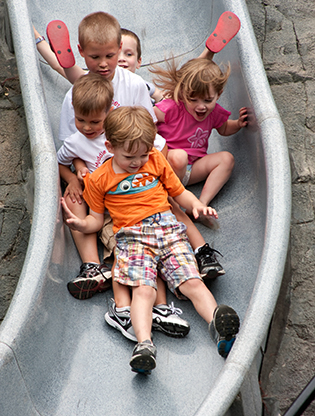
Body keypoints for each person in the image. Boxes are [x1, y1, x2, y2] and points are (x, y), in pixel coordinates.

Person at [37, 12, 226, 295]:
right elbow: (69, 146)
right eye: (95, 57)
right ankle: (92, 266)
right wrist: (74, 175)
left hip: (136, 173)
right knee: (71, 197)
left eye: (110, 56)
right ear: (82, 55)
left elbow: (149, 133)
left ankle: (199, 250)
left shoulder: (134, 85)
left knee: (165, 198)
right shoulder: (75, 96)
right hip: (101, 179)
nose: (103, 64)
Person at [61, 106, 240, 374]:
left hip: (168, 229)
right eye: (130, 156)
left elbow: (179, 194)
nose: (137, 162)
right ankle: (144, 344)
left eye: (143, 155)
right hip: (132, 237)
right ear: (110, 146)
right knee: (144, 290)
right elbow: (97, 220)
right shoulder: (99, 179)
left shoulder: (155, 160)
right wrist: (81, 223)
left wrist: (197, 206)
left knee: (192, 281)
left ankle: (218, 325)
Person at [57, 72, 191, 339]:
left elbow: (153, 155)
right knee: (121, 240)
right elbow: (63, 160)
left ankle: (158, 307)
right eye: (80, 120)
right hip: (104, 205)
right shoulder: (77, 141)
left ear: (109, 112)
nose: (86, 126)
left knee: (147, 242)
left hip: (134, 206)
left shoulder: (122, 136)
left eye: (94, 121)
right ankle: (99, 275)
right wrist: (74, 177)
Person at [152, 58, 248, 221]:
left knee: (226, 159)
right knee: (179, 156)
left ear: (218, 94)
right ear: (182, 94)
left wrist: (238, 124)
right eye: (193, 100)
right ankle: (172, 199)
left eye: (207, 100)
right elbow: (146, 116)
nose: (201, 106)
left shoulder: (215, 112)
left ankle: (200, 204)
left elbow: (223, 128)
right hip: (168, 167)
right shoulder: (172, 108)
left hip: (193, 169)